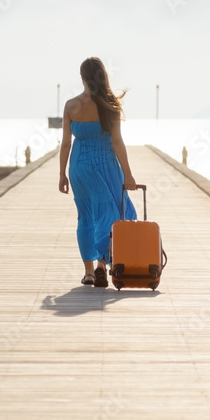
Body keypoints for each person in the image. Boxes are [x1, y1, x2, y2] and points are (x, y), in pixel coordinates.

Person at [58, 57, 137, 288]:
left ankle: (89, 272)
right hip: (106, 164)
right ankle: (103, 264)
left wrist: (62, 174)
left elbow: (65, 144)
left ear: (82, 78)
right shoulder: (110, 104)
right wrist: (128, 174)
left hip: (80, 166)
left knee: (85, 216)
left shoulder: (71, 106)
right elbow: (117, 142)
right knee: (109, 213)